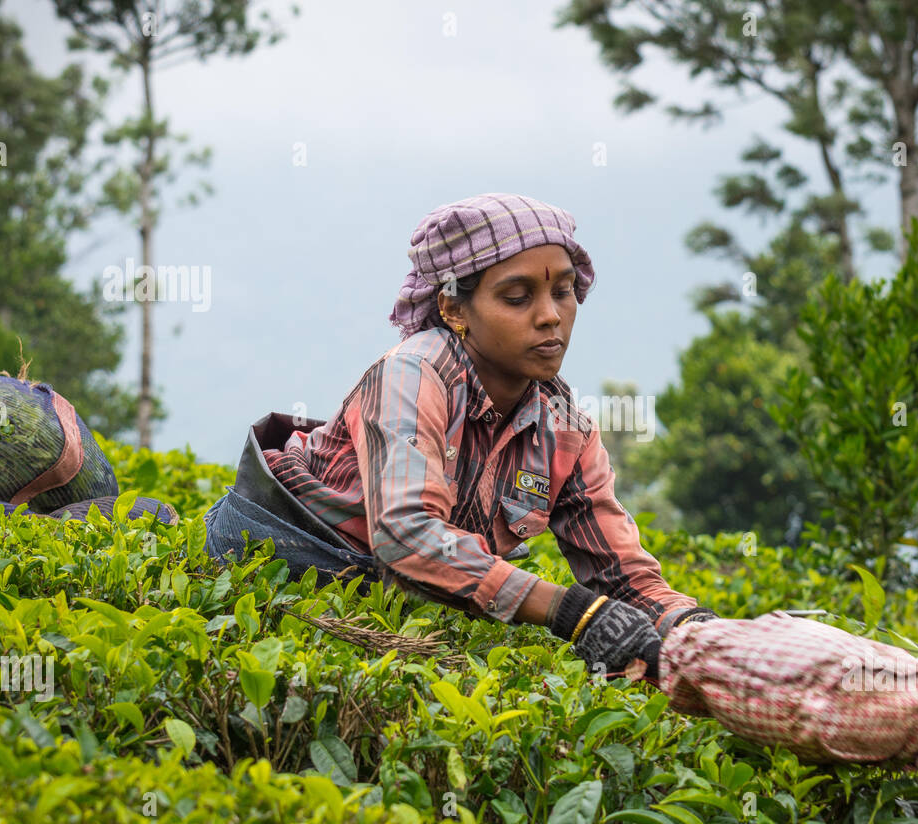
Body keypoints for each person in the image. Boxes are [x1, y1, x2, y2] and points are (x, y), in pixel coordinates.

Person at [203, 193, 718, 684]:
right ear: (453, 309)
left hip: (400, 608)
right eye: (517, 297)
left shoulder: (567, 430)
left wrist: (693, 629)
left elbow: (626, 580)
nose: (551, 316)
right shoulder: (412, 374)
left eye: (563, 291)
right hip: (287, 561)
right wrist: (570, 611)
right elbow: (406, 533)